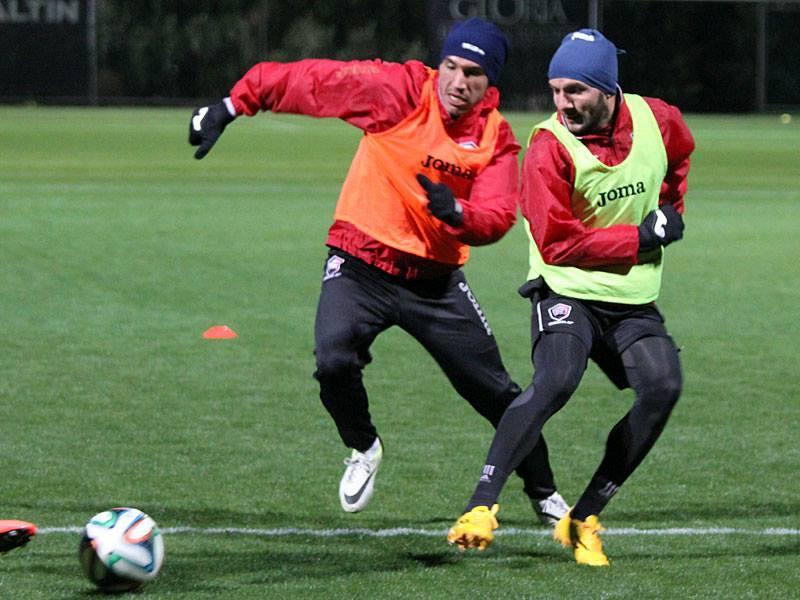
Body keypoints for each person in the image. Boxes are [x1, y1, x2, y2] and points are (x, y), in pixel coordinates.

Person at [188, 18, 568, 523]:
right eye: (451, 66)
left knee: (495, 392)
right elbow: (315, 81)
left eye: (472, 73)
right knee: (333, 360)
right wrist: (232, 105)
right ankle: (363, 446)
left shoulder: (495, 137)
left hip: (435, 284)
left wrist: (457, 213)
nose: (457, 81)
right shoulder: (400, 92)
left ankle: (545, 493)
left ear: (489, 82)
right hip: (360, 263)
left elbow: (498, 216)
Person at [447, 29, 695, 565]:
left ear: (607, 89)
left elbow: (679, 159)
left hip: (631, 297)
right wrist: (641, 237)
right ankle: (480, 507)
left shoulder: (659, 119)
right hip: (567, 290)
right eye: (556, 91)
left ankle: (584, 519)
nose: (563, 103)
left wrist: (670, 209)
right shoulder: (548, 147)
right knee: (557, 379)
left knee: (663, 387)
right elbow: (557, 244)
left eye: (574, 91)